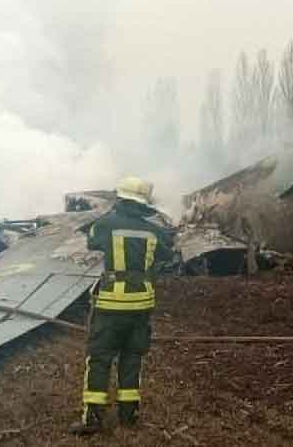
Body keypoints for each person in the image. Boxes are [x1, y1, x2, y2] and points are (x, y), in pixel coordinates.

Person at [71, 176, 175, 435]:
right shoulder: (156, 231)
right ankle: (129, 415)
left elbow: (91, 240)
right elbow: (167, 252)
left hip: (111, 305)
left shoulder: (105, 224)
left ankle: (92, 418)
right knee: (132, 358)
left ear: (120, 199)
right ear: (143, 204)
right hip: (141, 305)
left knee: (100, 358)